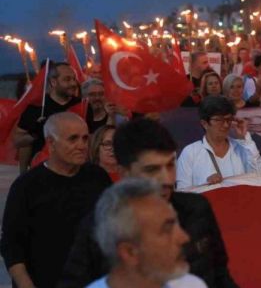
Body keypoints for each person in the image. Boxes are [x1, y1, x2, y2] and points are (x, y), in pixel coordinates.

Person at [60, 118, 237, 288]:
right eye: (151, 170)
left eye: (170, 165)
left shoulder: (197, 208)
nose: (166, 179)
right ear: (124, 173)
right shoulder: (97, 226)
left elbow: (220, 274)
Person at [1, 112, 112, 288]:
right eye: (73, 139)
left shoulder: (98, 177)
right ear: (51, 143)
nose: (82, 145)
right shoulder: (26, 186)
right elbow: (12, 245)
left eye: (85, 138)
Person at [87, 179, 207, 288]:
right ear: (130, 252)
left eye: (177, 224)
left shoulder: (191, 285)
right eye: (166, 229)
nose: (184, 238)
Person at [177, 96, 261, 189]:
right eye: (219, 120)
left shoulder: (242, 147)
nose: (226, 125)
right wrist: (206, 186)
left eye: (228, 119)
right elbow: (183, 193)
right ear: (204, 123)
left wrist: (245, 138)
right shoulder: (190, 153)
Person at [14, 61, 82, 173]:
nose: (73, 83)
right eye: (67, 79)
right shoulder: (37, 107)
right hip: (42, 170)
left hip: (75, 169)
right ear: (53, 82)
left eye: (74, 79)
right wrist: (35, 133)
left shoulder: (81, 105)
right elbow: (18, 141)